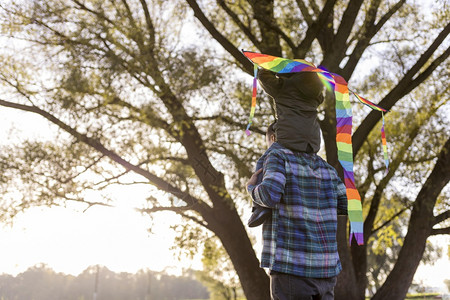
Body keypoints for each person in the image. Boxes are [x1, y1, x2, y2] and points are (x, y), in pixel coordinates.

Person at [246, 123, 348, 300]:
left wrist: (251, 187)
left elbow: (269, 195)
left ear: (273, 138)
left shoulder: (277, 157)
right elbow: (346, 205)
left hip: (292, 267)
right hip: (326, 269)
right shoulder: (327, 168)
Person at [248, 68, 325, 227]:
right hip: (312, 142)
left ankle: (260, 207)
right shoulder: (315, 95)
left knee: (264, 161)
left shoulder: (283, 87)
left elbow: (263, 76)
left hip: (290, 136)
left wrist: (275, 67)